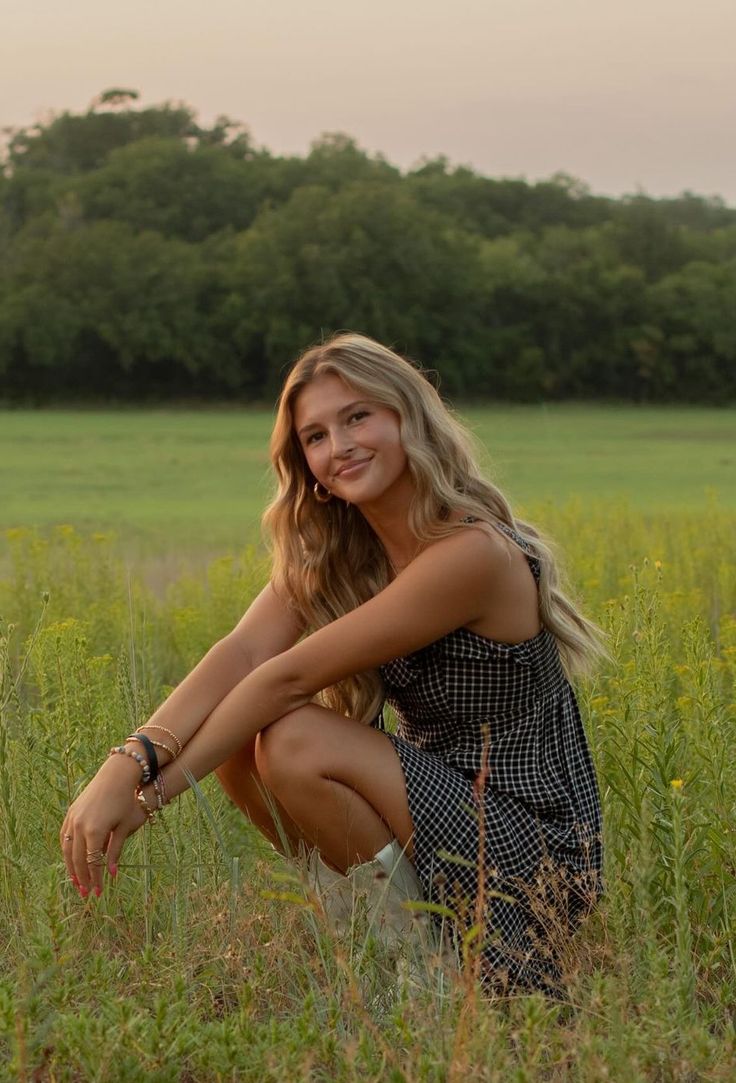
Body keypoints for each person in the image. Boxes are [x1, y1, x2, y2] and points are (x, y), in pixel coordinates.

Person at [60, 333, 604, 993]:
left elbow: (283, 677)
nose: (338, 445)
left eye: (357, 417)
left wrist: (145, 797)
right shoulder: (350, 551)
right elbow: (242, 651)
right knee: (237, 744)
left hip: (537, 852)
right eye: (315, 436)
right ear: (306, 463)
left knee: (288, 733)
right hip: (442, 803)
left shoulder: (471, 553)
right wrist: (130, 756)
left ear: (408, 416)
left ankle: (431, 975)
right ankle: (385, 940)